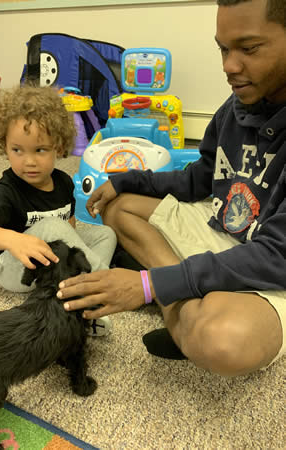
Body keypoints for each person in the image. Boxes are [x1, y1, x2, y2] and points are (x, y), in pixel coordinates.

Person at [57, 0, 286, 375]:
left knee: (223, 343)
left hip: (274, 263)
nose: (229, 65)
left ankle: (177, 304)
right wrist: (124, 180)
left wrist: (149, 285)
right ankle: (185, 307)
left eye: (248, 48)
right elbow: (198, 179)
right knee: (118, 207)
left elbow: (278, 256)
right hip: (223, 227)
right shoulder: (235, 106)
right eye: (223, 49)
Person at [0, 85, 117, 335]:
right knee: (51, 227)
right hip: (12, 268)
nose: (29, 161)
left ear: (58, 148)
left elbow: (69, 223)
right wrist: (15, 240)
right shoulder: (6, 191)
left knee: (106, 233)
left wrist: (72, 251)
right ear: (5, 146)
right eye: (17, 150)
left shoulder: (64, 182)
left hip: (47, 268)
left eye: (40, 150)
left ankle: (80, 288)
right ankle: (105, 283)